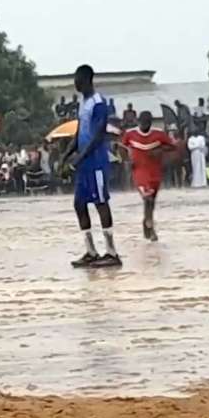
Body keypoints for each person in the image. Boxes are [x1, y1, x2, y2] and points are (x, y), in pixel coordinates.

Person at [62, 65, 121, 268]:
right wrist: (66, 155)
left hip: (96, 163)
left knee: (101, 203)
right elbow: (79, 133)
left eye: (77, 80)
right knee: (79, 204)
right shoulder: (83, 104)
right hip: (84, 165)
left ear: (86, 80)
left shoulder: (98, 103)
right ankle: (91, 251)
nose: (75, 84)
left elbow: (98, 135)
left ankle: (112, 253)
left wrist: (80, 157)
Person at [122, 111, 176, 241]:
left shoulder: (159, 134)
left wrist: (160, 150)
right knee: (148, 198)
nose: (145, 126)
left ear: (151, 123)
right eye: (143, 123)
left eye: (147, 124)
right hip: (139, 172)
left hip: (155, 172)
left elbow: (172, 146)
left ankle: (146, 220)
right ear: (138, 122)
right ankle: (150, 227)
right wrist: (127, 161)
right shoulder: (130, 134)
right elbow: (121, 147)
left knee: (152, 201)